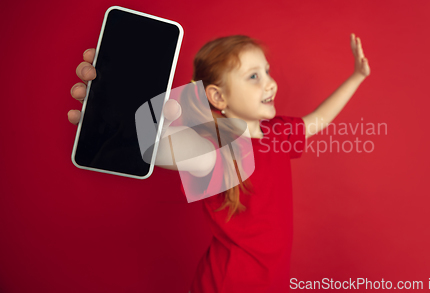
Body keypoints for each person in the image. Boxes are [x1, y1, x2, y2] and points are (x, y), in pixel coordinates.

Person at [68, 33, 370, 292]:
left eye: (267, 71)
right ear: (218, 97)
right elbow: (161, 148)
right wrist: (118, 120)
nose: (271, 83)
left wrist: (357, 76)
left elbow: (315, 121)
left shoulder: (277, 131)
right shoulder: (216, 149)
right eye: (254, 76)